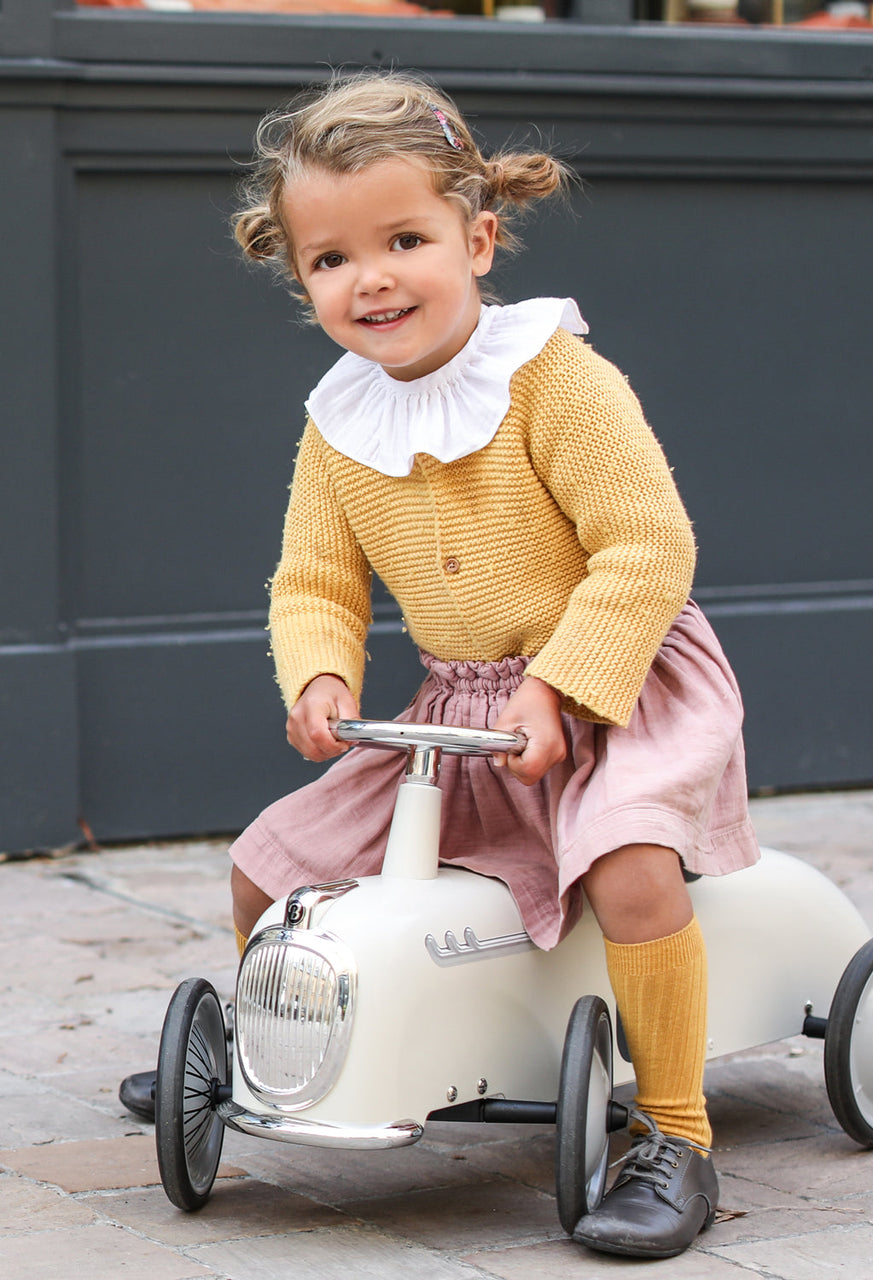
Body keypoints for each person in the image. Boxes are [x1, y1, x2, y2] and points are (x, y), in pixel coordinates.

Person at [126, 70, 761, 1260]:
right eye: (329, 259)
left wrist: (566, 681)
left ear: (476, 237)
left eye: (405, 240)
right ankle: (276, 1037)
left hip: (612, 675)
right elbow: (314, 576)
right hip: (454, 707)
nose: (370, 279)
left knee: (628, 865)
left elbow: (647, 543)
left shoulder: (557, 381)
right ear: (298, 273)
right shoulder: (339, 422)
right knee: (272, 868)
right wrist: (317, 674)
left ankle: (674, 1128)